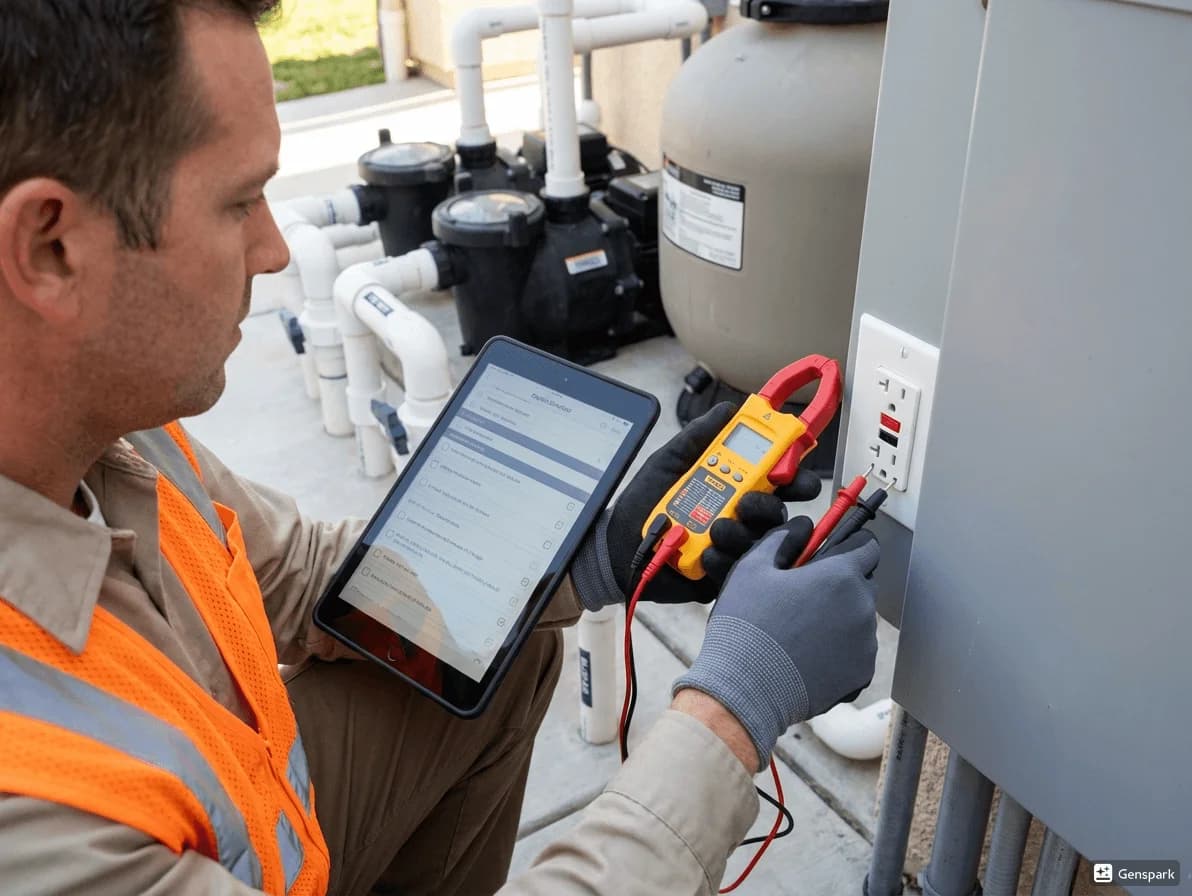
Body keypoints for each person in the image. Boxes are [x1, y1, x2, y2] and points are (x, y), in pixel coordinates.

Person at [0, 2, 881, 894]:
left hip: (246, 816)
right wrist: (735, 707)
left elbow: (298, 574)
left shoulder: (105, 432)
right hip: (191, 845)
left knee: (496, 639)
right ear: (50, 247)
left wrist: (591, 563)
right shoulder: (37, 823)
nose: (273, 251)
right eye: (237, 203)